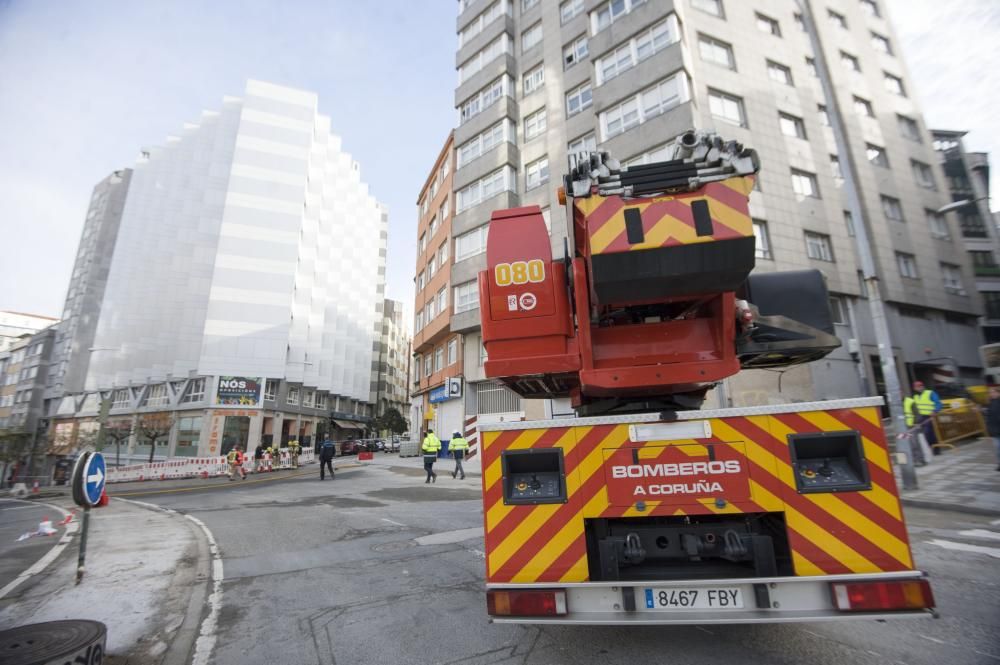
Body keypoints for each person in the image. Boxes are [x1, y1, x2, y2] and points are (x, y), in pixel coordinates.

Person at [911, 380, 944, 455]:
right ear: (914, 388)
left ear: (923, 386)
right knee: (922, 434)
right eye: (917, 386)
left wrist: (935, 411)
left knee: (929, 433)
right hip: (922, 417)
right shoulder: (915, 396)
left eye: (920, 386)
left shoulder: (930, 393)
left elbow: (938, 403)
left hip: (931, 416)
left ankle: (935, 450)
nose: (919, 388)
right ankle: (929, 450)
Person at [986, 387, 1000, 472]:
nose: (992, 394)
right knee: (997, 448)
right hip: (995, 429)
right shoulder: (990, 402)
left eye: (993, 392)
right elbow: (989, 414)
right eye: (990, 392)